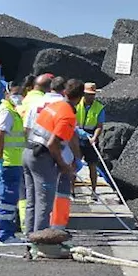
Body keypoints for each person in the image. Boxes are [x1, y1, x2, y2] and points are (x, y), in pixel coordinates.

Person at [22, 79, 78, 236]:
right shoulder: (66, 111)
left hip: (29, 150)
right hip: (46, 156)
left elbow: (28, 129)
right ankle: (40, 240)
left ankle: (29, 239)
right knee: (44, 203)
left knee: (32, 200)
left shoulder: (39, 103)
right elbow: (56, 141)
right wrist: (65, 163)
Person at [0, 83, 28, 245]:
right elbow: (0, 136)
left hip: (13, 161)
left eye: (20, 93)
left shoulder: (11, 110)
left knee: (10, 199)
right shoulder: (7, 111)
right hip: (9, 162)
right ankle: (5, 235)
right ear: (7, 93)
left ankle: (7, 233)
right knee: (7, 199)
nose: (18, 96)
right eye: (15, 93)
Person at [49, 80, 85, 230]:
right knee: (62, 193)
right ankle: (58, 227)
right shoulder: (68, 113)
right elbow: (70, 139)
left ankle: (45, 226)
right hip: (60, 156)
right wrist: (76, 159)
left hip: (39, 154)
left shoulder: (52, 107)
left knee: (43, 194)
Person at [76, 83, 106, 191]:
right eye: (88, 94)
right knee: (75, 163)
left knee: (92, 165)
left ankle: (94, 191)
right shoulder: (77, 105)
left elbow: (99, 126)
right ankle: (71, 191)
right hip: (77, 136)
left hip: (91, 137)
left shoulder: (99, 108)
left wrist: (94, 137)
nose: (91, 97)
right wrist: (78, 131)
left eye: (93, 94)